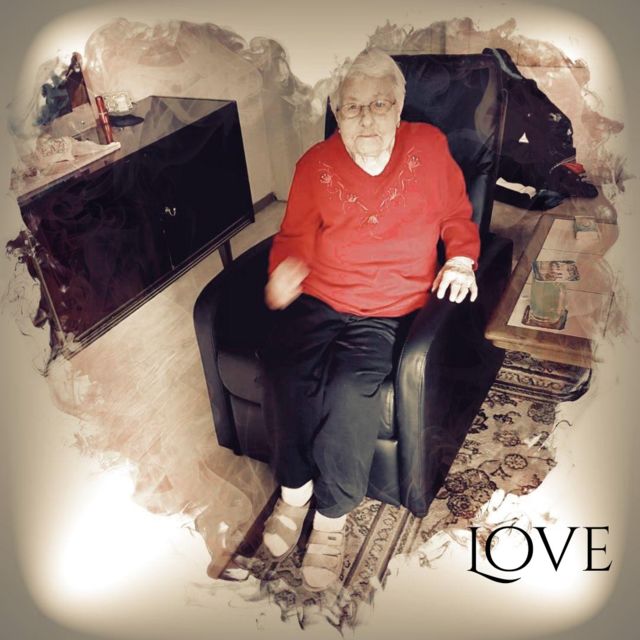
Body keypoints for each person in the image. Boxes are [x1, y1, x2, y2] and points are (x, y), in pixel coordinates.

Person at [260, 48, 480, 591]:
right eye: (353, 107)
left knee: (348, 388)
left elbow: (456, 213)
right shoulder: (315, 164)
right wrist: (285, 270)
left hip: (388, 308)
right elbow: (294, 236)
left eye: (379, 104)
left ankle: (331, 520)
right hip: (320, 298)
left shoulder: (428, 147)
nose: (366, 118)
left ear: (399, 108)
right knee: (284, 372)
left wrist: (460, 258)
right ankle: (295, 493)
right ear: (337, 114)